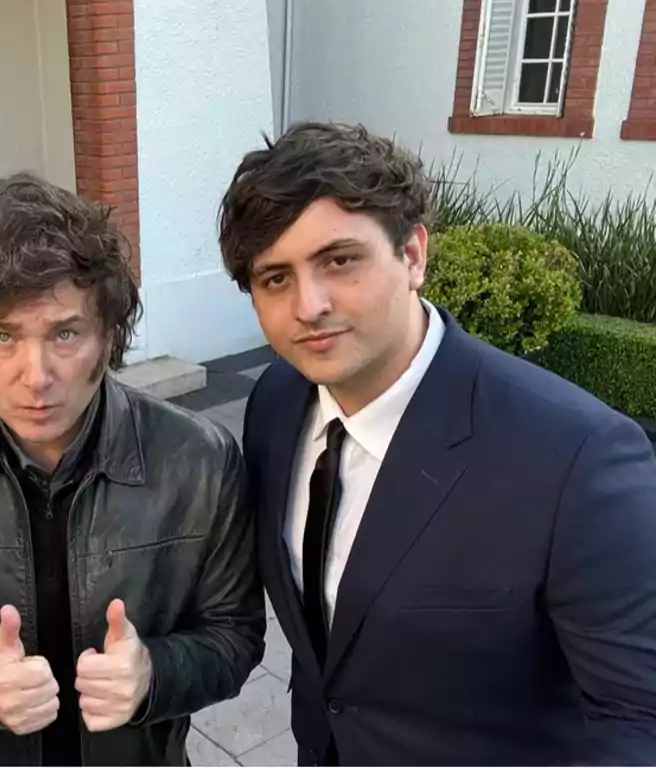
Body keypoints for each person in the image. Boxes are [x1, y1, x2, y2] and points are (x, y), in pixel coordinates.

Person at [219, 121, 656, 765]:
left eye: (339, 260)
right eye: (274, 278)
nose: (308, 305)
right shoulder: (277, 404)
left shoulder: (579, 459)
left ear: (414, 255)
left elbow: (635, 718)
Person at [0, 172, 264, 766]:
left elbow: (235, 635)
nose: (36, 375)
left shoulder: (200, 459)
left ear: (109, 334)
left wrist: (154, 675)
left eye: (65, 333)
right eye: (3, 336)